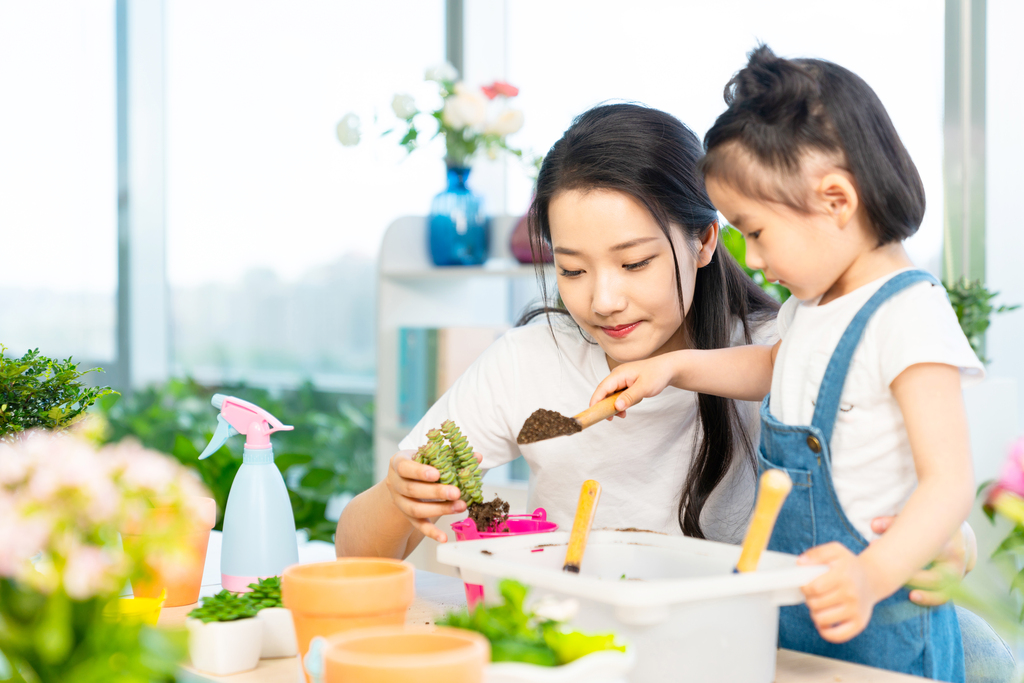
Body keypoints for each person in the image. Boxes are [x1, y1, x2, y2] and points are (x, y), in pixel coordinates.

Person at [335, 102, 1006, 681]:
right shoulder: (529, 362)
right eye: (571, 269)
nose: (602, 298)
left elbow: (911, 481)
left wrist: (943, 545)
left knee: (982, 654)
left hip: (754, 646)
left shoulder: (784, 350)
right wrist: (399, 498)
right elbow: (357, 555)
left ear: (707, 239)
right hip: (589, 648)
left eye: (635, 262)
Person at [589, 48, 1011, 681]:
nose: (752, 258)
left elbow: (948, 482)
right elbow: (775, 369)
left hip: (878, 609)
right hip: (799, 591)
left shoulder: (908, 315)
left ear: (836, 200)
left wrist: (871, 576)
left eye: (756, 231)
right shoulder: (816, 304)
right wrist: (674, 368)